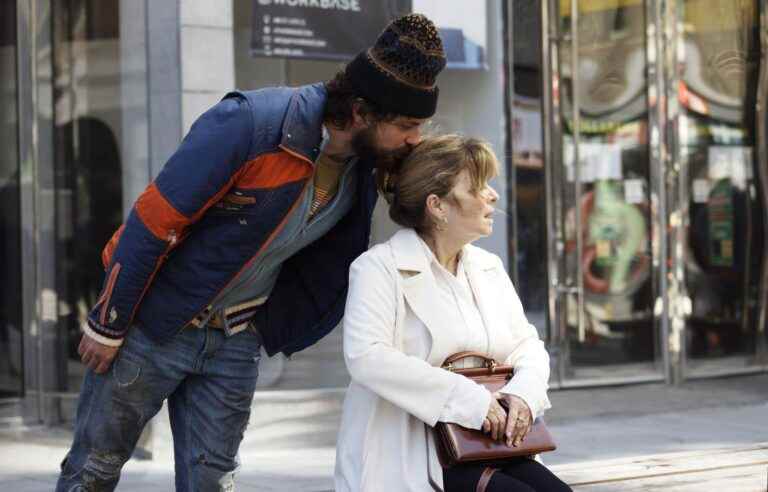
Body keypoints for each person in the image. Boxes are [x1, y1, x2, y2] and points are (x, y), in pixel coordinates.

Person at [56, 13, 447, 492]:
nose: (415, 138)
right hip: (154, 326)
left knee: (214, 485)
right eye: (407, 124)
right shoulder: (252, 124)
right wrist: (109, 321)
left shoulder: (367, 165)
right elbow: (155, 219)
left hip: (236, 340)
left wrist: (258, 333)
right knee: (91, 473)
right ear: (362, 112)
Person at [335, 135, 571, 492]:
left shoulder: (487, 266)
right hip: (415, 448)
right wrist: (469, 400)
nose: (492, 195)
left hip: (489, 440)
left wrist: (524, 393)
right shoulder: (378, 268)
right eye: (478, 186)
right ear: (438, 206)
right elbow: (367, 357)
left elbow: (527, 344)